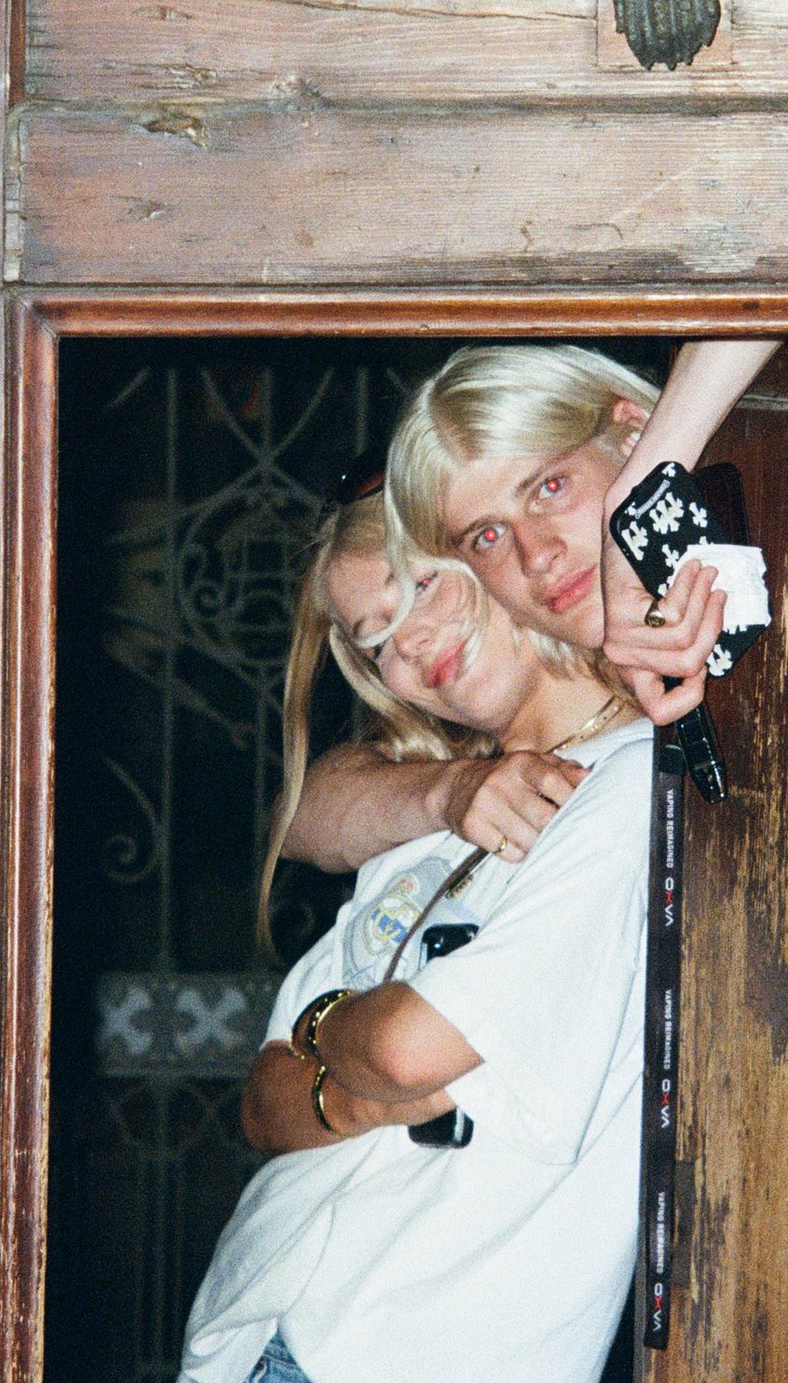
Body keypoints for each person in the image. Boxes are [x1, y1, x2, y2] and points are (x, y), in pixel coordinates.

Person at [182, 489, 652, 1383]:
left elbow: (406, 1048)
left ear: (492, 554)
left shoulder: (626, 785)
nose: (408, 642)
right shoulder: (427, 823)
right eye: (375, 640)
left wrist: (331, 1036)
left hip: (408, 1352)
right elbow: (264, 1102)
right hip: (247, 1332)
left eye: (422, 586)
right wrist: (360, 1086)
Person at [278, 341, 776, 877]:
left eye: (550, 487)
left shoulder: (762, 542)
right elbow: (299, 818)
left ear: (632, 433)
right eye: (488, 536)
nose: (536, 557)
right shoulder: (483, 770)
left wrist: (643, 483)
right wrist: (449, 791)